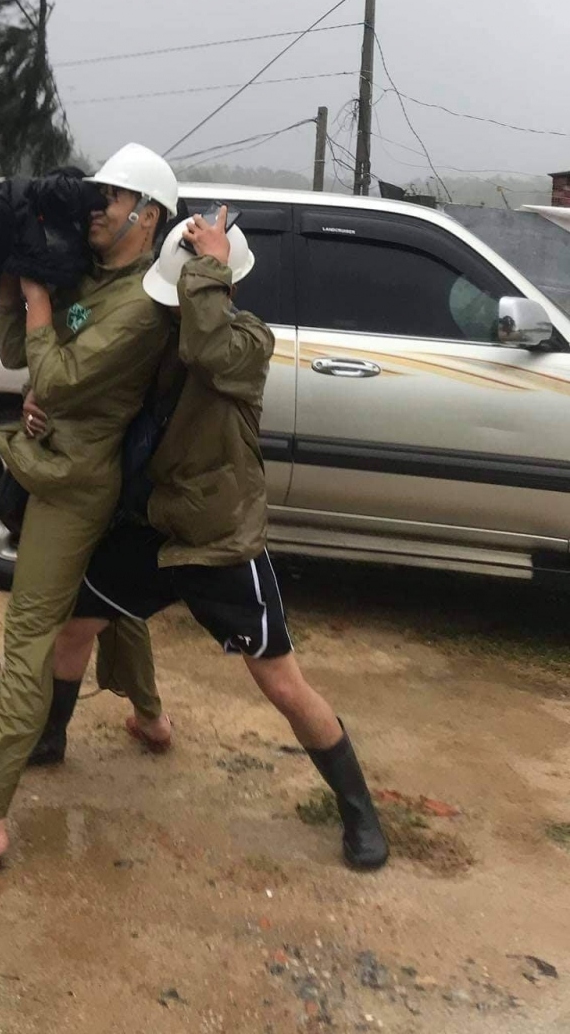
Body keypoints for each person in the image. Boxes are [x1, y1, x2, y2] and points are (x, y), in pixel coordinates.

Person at [34, 207, 390, 871]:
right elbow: (103, 392)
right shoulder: (160, 336)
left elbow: (209, 346)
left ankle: (359, 811)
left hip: (218, 539)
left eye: (193, 291)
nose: (176, 309)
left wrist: (209, 270)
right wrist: (43, 406)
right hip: (153, 528)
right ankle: (50, 736)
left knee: (283, 685)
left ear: (222, 283)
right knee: (74, 625)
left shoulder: (247, 343)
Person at [0, 143, 180, 876]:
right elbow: (21, 353)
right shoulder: (91, 275)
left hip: (78, 482)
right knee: (108, 597)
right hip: (63, 461)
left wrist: (46, 308)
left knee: (29, 637)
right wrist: (15, 277)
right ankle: (148, 715)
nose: (93, 211)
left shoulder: (144, 304)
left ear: (145, 217)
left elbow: (56, 375)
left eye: (108, 201)